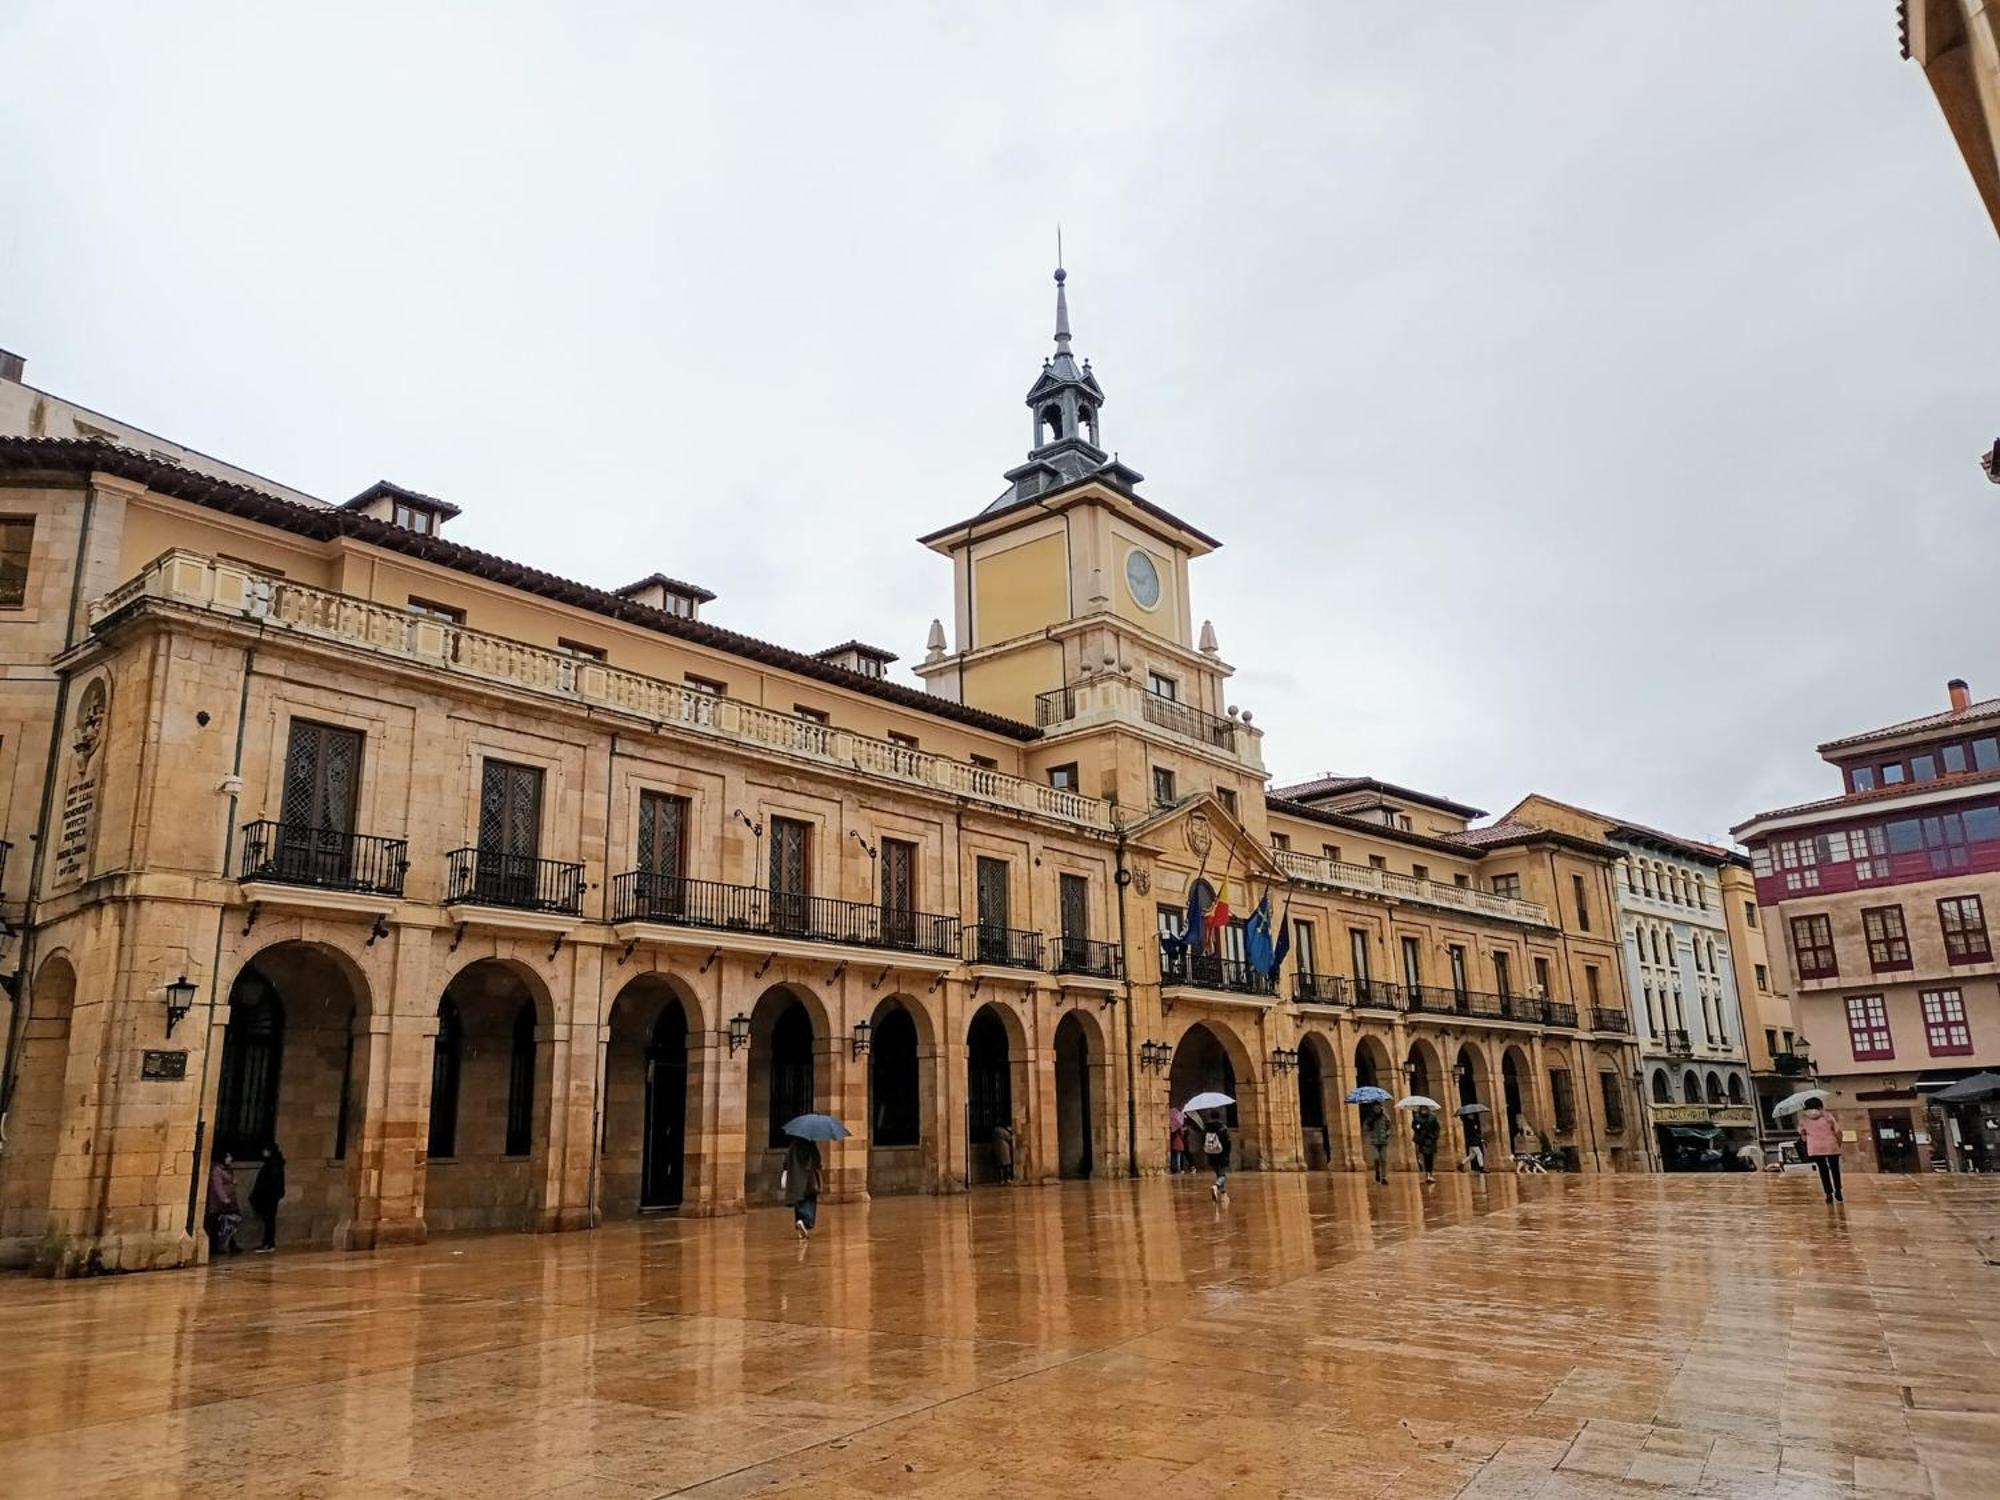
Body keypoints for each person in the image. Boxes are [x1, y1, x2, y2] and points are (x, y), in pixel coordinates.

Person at [1798, 1099, 1844, 1203]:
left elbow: (1802, 1134)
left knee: (1823, 1171)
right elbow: (1837, 1130)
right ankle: (1838, 1190)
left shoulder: (1804, 1119)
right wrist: (1838, 1143)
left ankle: (1828, 1193)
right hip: (1831, 1145)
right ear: (1820, 1106)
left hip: (1815, 1148)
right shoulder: (1827, 1116)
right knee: (1835, 1169)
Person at [781, 1135, 823, 1239]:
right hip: (809, 1178)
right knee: (810, 1200)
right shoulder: (811, 1144)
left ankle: (800, 1224)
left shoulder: (793, 1145)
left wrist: (786, 1171)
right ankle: (805, 1222)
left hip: (796, 1178)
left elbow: (786, 1161)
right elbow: (817, 1159)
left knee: (799, 1201)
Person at [249, 1142, 287, 1254]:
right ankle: (268, 1243)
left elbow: (270, 1182)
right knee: (269, 1220)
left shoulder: (273, 1165)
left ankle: (269, 1243)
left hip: (269, 1197)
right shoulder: (273, 1164)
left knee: (269, 1220)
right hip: (271, 1197)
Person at [205, 1152, 242, 1257]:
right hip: (220, 1204)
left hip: (227, 1202)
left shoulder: (226, 1169)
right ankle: (219, 1246)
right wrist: (225, 1199)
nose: (230, 1158)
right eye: (228, 1156)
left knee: (228, 1224)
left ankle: (229, 1245)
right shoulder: (218, 1170)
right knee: (221, 1225)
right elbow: (218, 1186)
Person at [1200, 1113, 1231, 1200]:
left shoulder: (1205, 1129)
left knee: (1218, 1173)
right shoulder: (1223, 1128)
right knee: (1222, 1175)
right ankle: (1216, 1186)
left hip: (1211, 1154)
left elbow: (1203, 1142)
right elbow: (1227, 1143)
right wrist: (1227, 1154)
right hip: (1222, 1155)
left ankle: (1223, 1192)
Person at [1410, 1107, 1440, 1184]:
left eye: (1425, 1109)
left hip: (1430, 1139)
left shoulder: (1433, 1117)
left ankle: (1430, 1173)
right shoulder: (1417, 1117)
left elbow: (1437, 1127)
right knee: (1426, 1156)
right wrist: (1417, 1127)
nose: (1424, 1110)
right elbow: (1413, 1126)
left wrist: (1435, 1136)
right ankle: (1427, 1174)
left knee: (1430, 1157)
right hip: (1422, 1139)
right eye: (1422, 1109)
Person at [1364, 1105, 1391, 1184]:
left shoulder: (1385, 1116)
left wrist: (1388, 1132)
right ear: (1373, 1109)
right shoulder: (1370, 1117)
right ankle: (1377, 1172)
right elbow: (1365, 1127)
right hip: (1374, 1141)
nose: (1377, 1109)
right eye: (1375, 1108)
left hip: (1383, 1141)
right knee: (1376, 1158)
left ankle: (1384, 1177)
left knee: (1383, 1159)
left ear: (1381, 1108)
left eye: (1378, 1108)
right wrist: (1369, 1126)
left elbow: (1389, 1126)